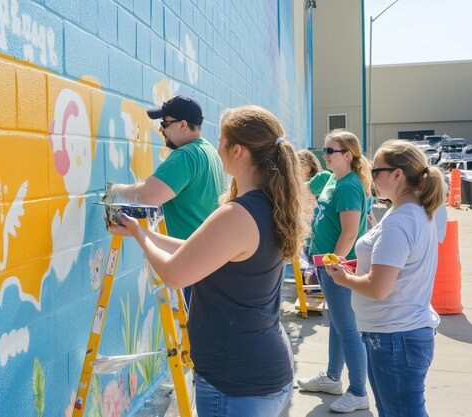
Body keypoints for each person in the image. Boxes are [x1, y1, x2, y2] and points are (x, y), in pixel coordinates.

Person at [110, 105, 309, 417]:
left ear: (239, 151)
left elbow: (175, 275)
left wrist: (142, 236)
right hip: (259, 370)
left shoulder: (237, 214)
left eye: (221, 141)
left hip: (236, 381)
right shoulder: (266, 206)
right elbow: (196, 250)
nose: (216, 149)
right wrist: (143, 233)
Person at [326, 139, 446, 417]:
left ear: (397, 174)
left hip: (395, 338)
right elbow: (398, 266)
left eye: (375, 170)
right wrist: (363, 265)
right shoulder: (412, 212)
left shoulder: (399, 221)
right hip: (399, 335)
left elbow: (379, 288)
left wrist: (343, 278)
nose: (371, 177)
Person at [104, 95, 225, 306]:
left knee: (198, 332)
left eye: (165, 124)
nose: (161, 130)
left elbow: (148, 196)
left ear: (183, 125)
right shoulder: (209, 153)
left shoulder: (186, 156)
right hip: (207, 260)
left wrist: (116, 192)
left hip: (191, 263)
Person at [297, 129, 372, 413]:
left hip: (340, 267)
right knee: (337, 324)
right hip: (327, 264)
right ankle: (331, 377)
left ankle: (358, 391)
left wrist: (334, 265)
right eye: (324, 150)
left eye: (330, 151)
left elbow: (350, 233)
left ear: (348, 155)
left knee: (348, 328)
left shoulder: (349, 186)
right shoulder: (331, 179)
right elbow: (306, 188)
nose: (324, 155)